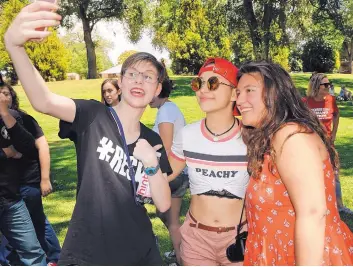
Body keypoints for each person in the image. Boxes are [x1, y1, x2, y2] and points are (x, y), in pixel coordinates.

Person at [5, 2, 172, 265]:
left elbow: (163, 205)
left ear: (157, 88)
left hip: (139, 253)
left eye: (149, 77)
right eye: (133, 74)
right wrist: (14, 46)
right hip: (88, 251)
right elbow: (43, 100)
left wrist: (151, 162)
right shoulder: (93, 115)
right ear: (122, 81)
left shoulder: (152, 140)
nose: (140, 80)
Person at [236, 61, 353, 265]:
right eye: (238, 93)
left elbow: (313, 213)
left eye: (249, 91)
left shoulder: (290, 136)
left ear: (276, 95)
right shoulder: (273, 136)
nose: (239, 100)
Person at [167, 58, 249, 266]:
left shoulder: (252, 138)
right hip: (196, 239)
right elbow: (166, 174)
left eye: (212, 83)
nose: (203, 89)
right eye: (198, 83)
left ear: (233, 93)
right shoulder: (187, 135)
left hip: (240, 238)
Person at [0, 83, 61, 266]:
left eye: (6, 94)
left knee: (35, 231)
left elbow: (33, 146)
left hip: (15, 192)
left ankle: (55, 256)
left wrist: (44, 178)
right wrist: (6, 153)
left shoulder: (21, 118)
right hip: (13, 187)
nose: (4, 97)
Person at [150, 75, 187, 265]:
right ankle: (180, 248)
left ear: (159, 91)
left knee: (172, 222)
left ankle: (182, 260)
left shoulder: (166, 111)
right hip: (176, 171)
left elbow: (166, 146)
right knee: (162, 213)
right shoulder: (167, 108)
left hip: (173, 172)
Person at [304, 74, 353, 215]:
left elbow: (336, 115)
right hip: (311, 145)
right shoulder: (305, 102)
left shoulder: (331, 100)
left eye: (329, 84)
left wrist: (334, 134)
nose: (328, 87)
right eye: (325, 84)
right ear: (315, 86)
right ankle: (313, 204)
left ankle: (340, 206)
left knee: (334, 173)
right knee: (312, 174)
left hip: (328, 144)